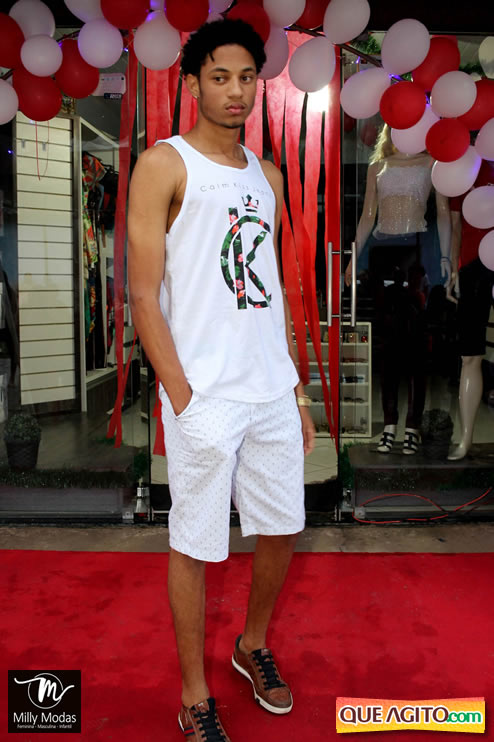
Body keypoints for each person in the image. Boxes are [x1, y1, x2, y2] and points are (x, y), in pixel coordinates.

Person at [127, 18, 316, 742]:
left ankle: (251, 643)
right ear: (192, 83)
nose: (235, 91)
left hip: (269, 389)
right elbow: (143, 295)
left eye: (246, 78)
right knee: (196, 543)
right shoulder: (164, 164)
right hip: (203, 394)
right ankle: (193, 694)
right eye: (219, 77)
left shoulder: (268, 176)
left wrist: (295, 390)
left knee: (282, 528)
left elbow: (271, 292)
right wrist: (181, 396)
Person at [344, 124, 451, 455]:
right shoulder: (378, 166)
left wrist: (446, 258)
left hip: (416, 254)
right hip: (383, 253)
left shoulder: (432, 163)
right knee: (388, 347)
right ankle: (389, 425)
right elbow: (367, 216)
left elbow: (443, 213)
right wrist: (353, 259)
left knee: (417, 347)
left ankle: (413, 427)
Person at [447, 157, 494, 460]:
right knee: (470, 355)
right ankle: (465, 440)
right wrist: (454, 269)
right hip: (472, 266)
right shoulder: (462, 170)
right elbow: (455, 227)